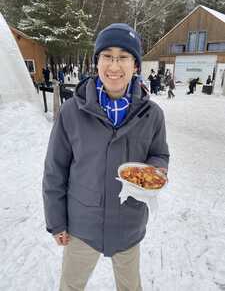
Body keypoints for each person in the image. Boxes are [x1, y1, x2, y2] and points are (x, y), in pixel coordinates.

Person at [42, 23, 170, 291]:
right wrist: (56, 222)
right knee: (71, 286)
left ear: (135, 65)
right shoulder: (72, 112)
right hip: (81, 225)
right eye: (107, 56)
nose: (114, 65)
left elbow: (159, 154)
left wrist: (156, 171)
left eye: (123, 57)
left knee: (130, 287)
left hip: (128, 223)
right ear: (96, 62)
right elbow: (55, 169)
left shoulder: (152, 115)